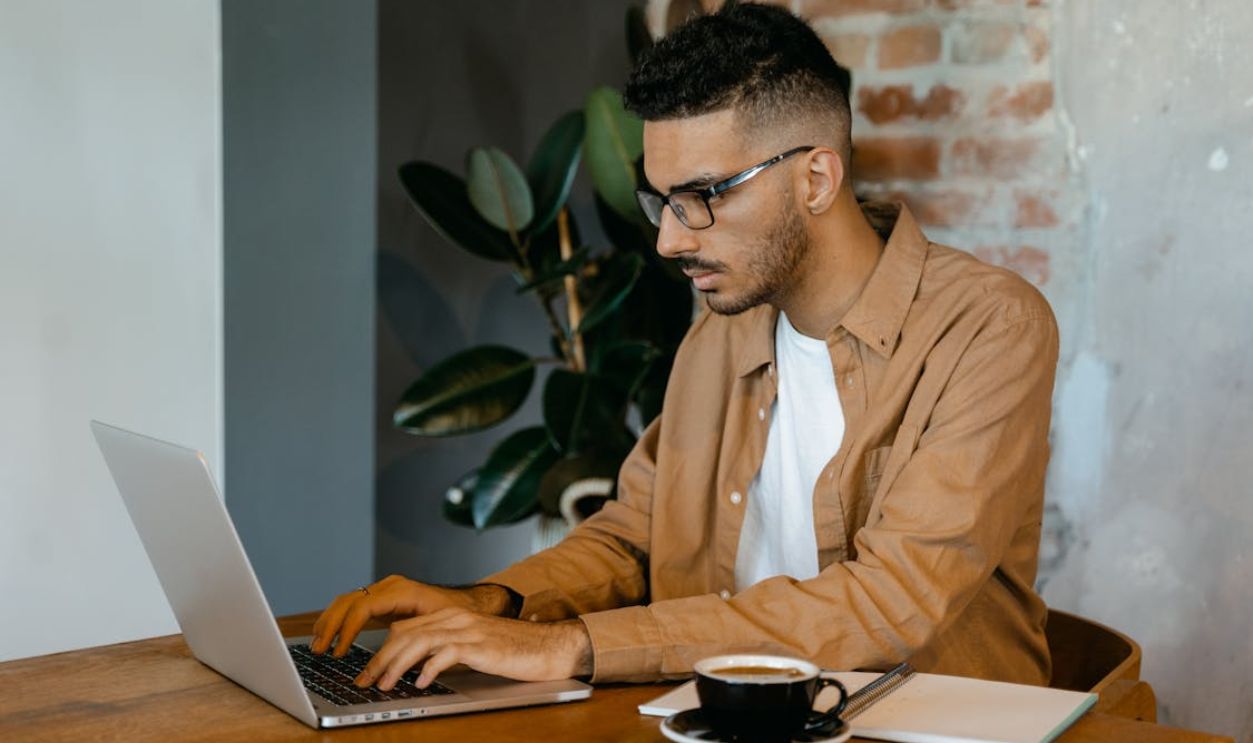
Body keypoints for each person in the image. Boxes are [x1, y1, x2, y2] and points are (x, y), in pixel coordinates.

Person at [311, 2, 1059, 693]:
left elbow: (890, 600)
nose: (670, 238)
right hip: (719, 713)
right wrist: (488, 602)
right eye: (661, 200)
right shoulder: (725, 324)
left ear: (816, 178)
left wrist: (569, 646)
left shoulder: (989, 327)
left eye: (703, 196)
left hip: (917, 723)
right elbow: (637, 532)